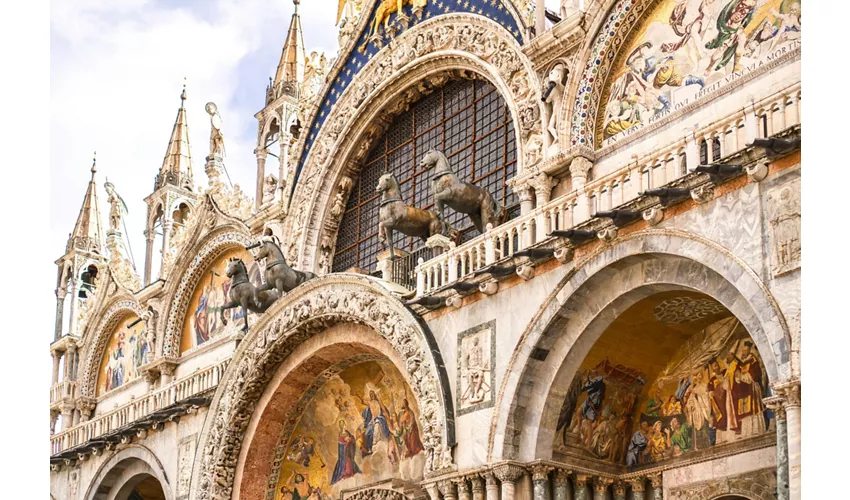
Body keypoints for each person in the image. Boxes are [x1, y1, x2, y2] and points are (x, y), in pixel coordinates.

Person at [704, 0, 758, 75]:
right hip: (727, 30)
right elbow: (723, 19)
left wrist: (740, 30)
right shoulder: (733, 7)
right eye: (744, 5)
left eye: (749, 7)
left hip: (737, 30)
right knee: (720, 50)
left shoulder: (748, 12)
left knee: (742, 39)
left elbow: (746, 21)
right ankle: (710, 67)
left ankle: (736, 66)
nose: (745, 9)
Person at [355, 390, 391, 456]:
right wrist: (357, 395)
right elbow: (363, 402)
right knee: (367, 433)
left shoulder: (379, 402)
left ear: (375, 395)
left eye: (373, 395)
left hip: (380, 418)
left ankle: (375, 443)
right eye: (370, 395)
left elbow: (384, 410)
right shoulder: (370, 403)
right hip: (372, 420)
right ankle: (370, 448)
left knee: (377, 425)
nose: (372, 396)